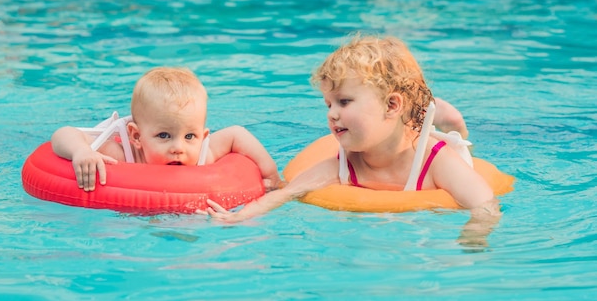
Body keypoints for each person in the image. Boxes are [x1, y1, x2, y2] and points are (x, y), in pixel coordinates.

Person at [199, 36, 500, 233]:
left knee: (453, 132)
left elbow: (485, 205)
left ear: (391, 105)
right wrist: (237, 216)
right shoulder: (344, 164)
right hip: (398, 121)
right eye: (328, 104)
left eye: (344, 102)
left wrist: (472, 239)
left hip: (425, 143)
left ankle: (449, 119)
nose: (331, 114)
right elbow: (287, 192)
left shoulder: (437, 163)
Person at [51, 67, 281, 192]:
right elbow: (63, 134)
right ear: (136, 136)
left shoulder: (201, 154)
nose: (178, 148)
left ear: (203, 137)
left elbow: (236, 133)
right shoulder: (123, 156)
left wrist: (271, 175)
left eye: (190, 136)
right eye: (164, 135)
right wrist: (81, 151)